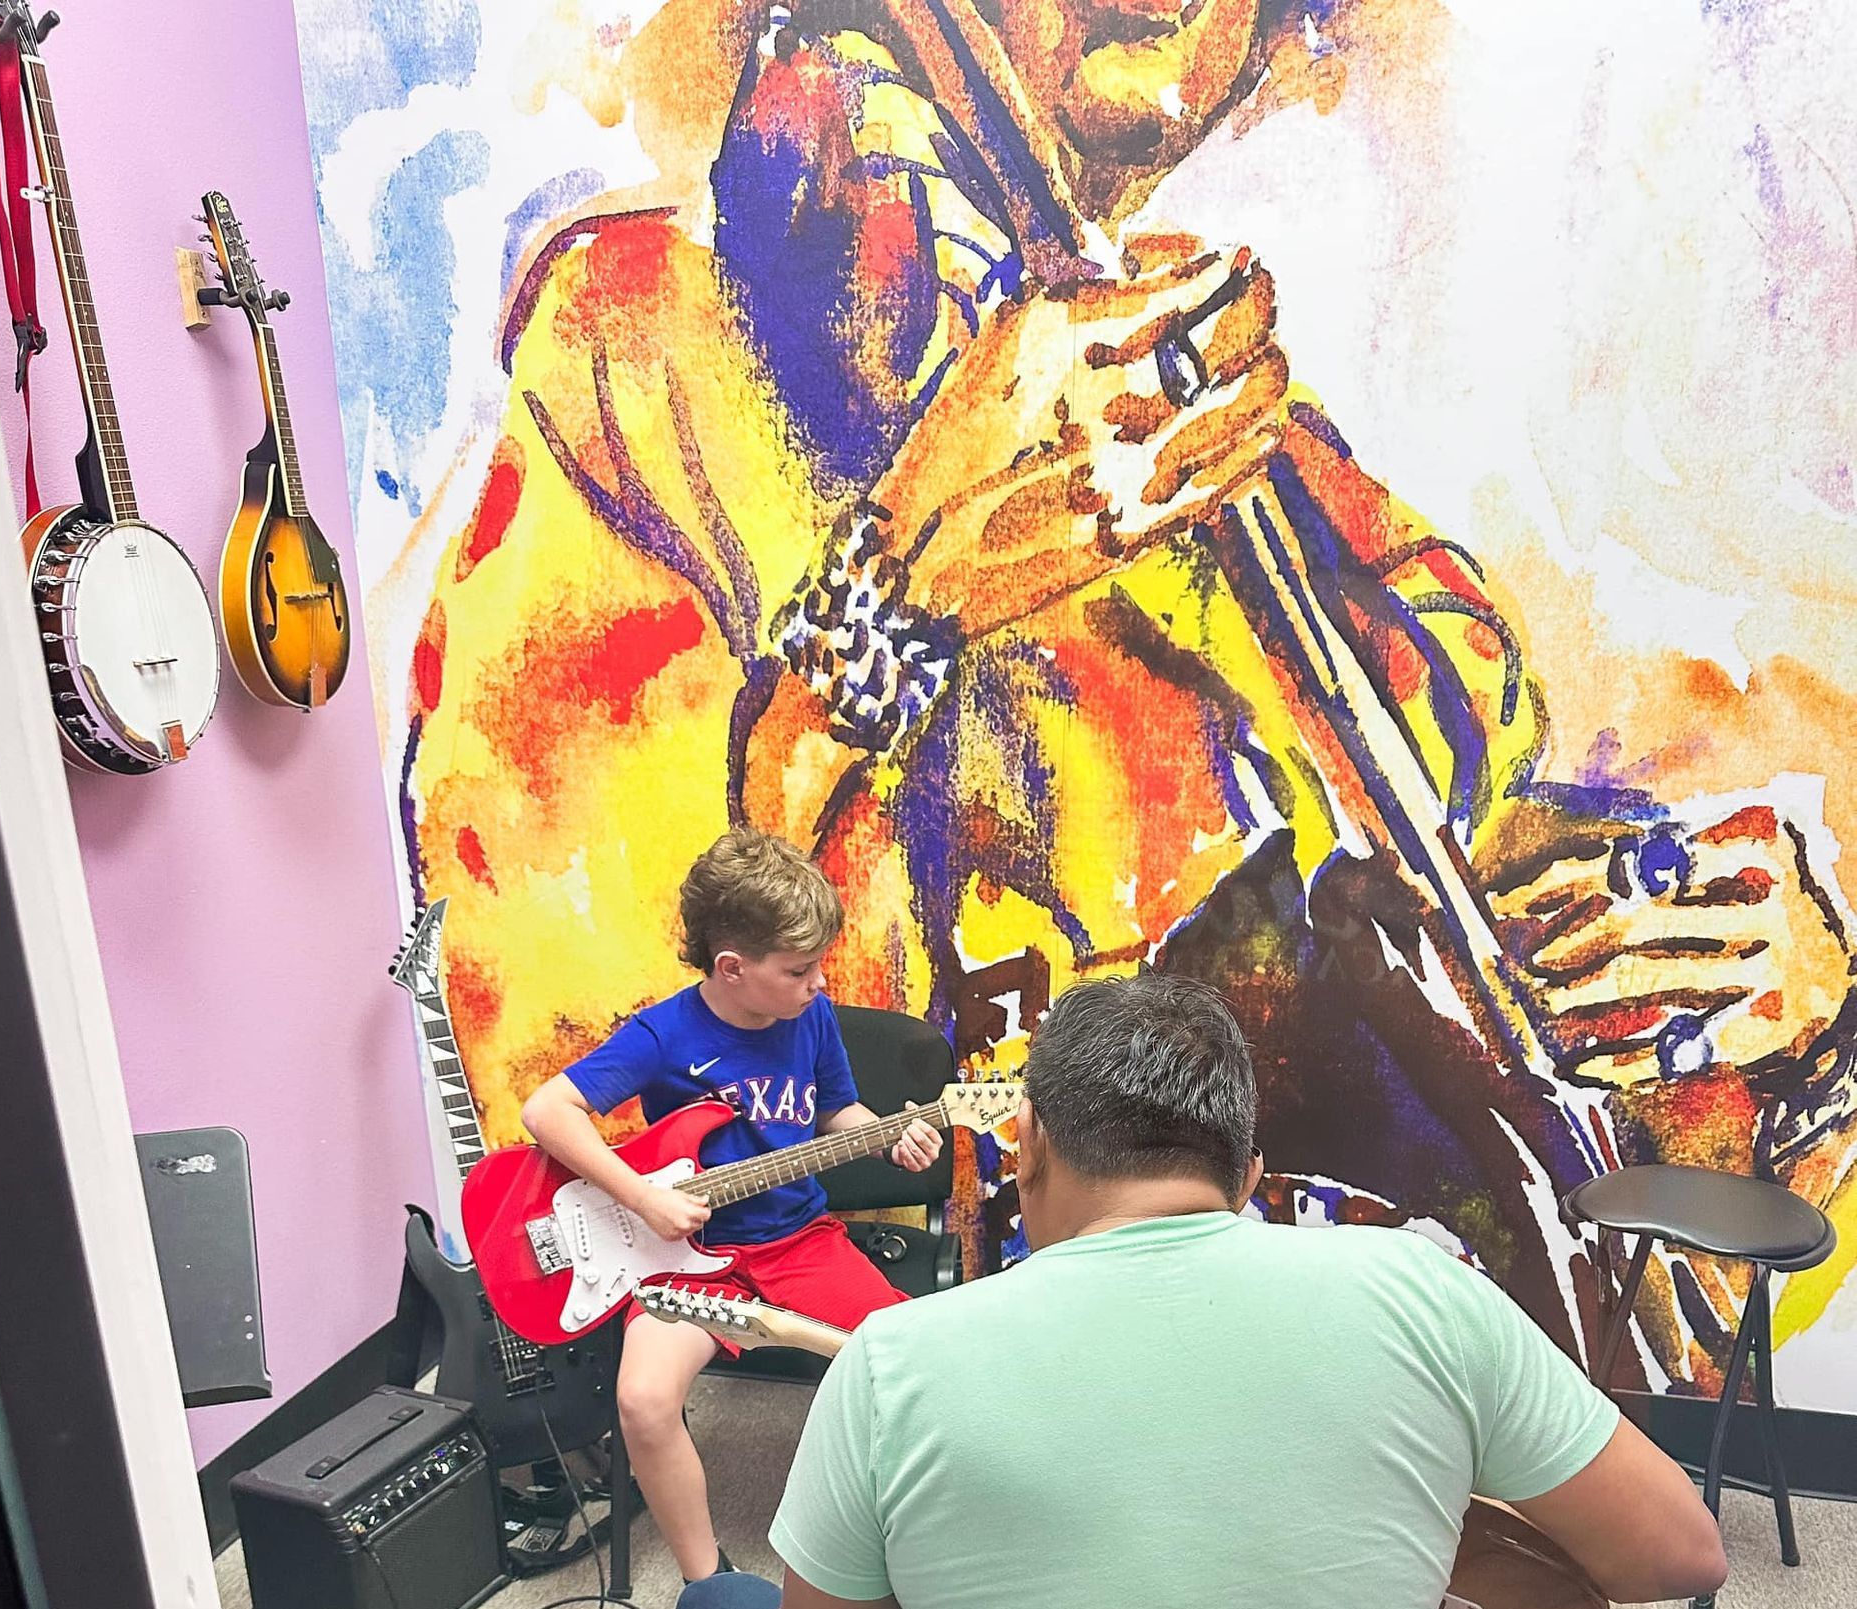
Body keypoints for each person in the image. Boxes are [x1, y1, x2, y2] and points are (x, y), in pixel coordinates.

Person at [408, 0, 1857, 1390]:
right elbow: (590, 1110)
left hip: (1317, 1375)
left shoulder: (1188, 392)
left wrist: (1745, 986)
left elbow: (1424, 830)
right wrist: (894, 595)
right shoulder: (640, 351)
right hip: (1008, 1373)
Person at [665, 971, 1728, 1609]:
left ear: (1027, 1145)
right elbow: (1680, 1554)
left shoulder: (895, 1359)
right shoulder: (1423, 1294)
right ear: (1249, 1171)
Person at [519, 828, 941, 1582]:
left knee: (917, 1368)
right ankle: (705, 1583)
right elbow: (547, 1110)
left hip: (797, 1239)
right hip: (684, 1259)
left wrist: (889, 1138)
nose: (819, 985)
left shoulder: (809, 1018)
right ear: (732, 968)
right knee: (644, 1401)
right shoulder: (663, 1034)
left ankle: (896, 1551)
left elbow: (834, 1111)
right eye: (800, 970)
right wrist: (643, 1197)